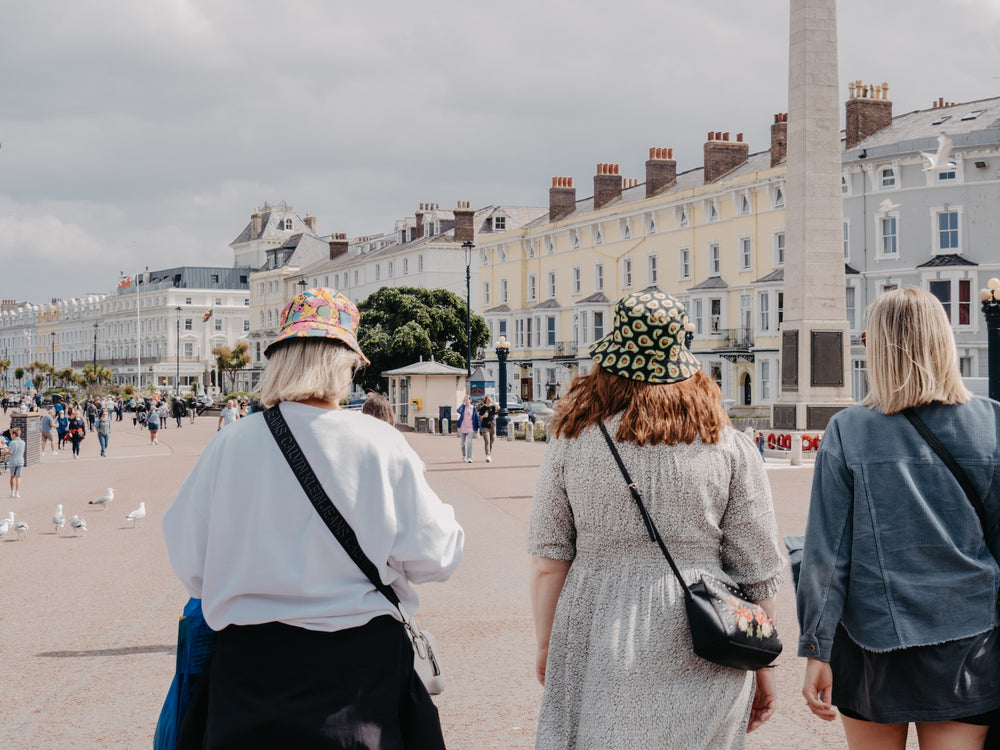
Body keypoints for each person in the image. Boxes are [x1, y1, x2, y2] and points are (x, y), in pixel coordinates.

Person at [162, 287, 463, 748]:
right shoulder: (377, 442)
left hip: (248, 670)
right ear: (345, 363)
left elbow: (192, 565)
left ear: (281, 358)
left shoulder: (230, 443)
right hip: (359, 673)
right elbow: (437, 558)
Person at [528, 290, 783, 749]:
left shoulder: (572, 441)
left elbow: (549, 558)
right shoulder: (728, 445)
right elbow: (758, 569)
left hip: (596, 621)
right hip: (705, 625)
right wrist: (761, 666)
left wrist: (548, 644)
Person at [797, 287, 1000, 750]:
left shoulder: (848, 429)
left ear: (878, 348)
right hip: (967, 639)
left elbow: (826, 555)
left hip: (871, 639)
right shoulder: (992, 422)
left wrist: (816, 648)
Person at [455, 394, 480, 463]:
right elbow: (458, 410)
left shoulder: (473, 408)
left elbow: (476, 418)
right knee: (462, 443)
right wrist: (463, 404)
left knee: (469, 442)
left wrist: (477, 428)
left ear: (470, 400)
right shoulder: (463, 407)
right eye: (465, 400)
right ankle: (464, 456)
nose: (466, 401)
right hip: (463, 427)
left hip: (471, 428)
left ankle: (469, 457)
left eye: (467, 400)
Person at [478, 395, 498, 463]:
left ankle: (489, 454)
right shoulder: (482, 408)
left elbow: (498, 407)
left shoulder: (493, 407)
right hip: (485, 427)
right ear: (485, 400)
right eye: (488, 400)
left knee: (492, 442)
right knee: (487, 441)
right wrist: (484, 416)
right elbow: (480, 417)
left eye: (490, 400)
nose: (489, 401)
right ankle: (488, 455)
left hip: (492, 426)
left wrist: (492, 401)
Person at [5, 427, 25, 497]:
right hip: (20, 461)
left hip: (13, 461)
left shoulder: (12, 442)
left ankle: (12, 492)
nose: (10, 435)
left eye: (11, 434)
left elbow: (10, 452)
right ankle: (17, 493)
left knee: (12, 477)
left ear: (14, 434)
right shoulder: (23, 442)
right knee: (18, 477)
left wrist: (4, 452)